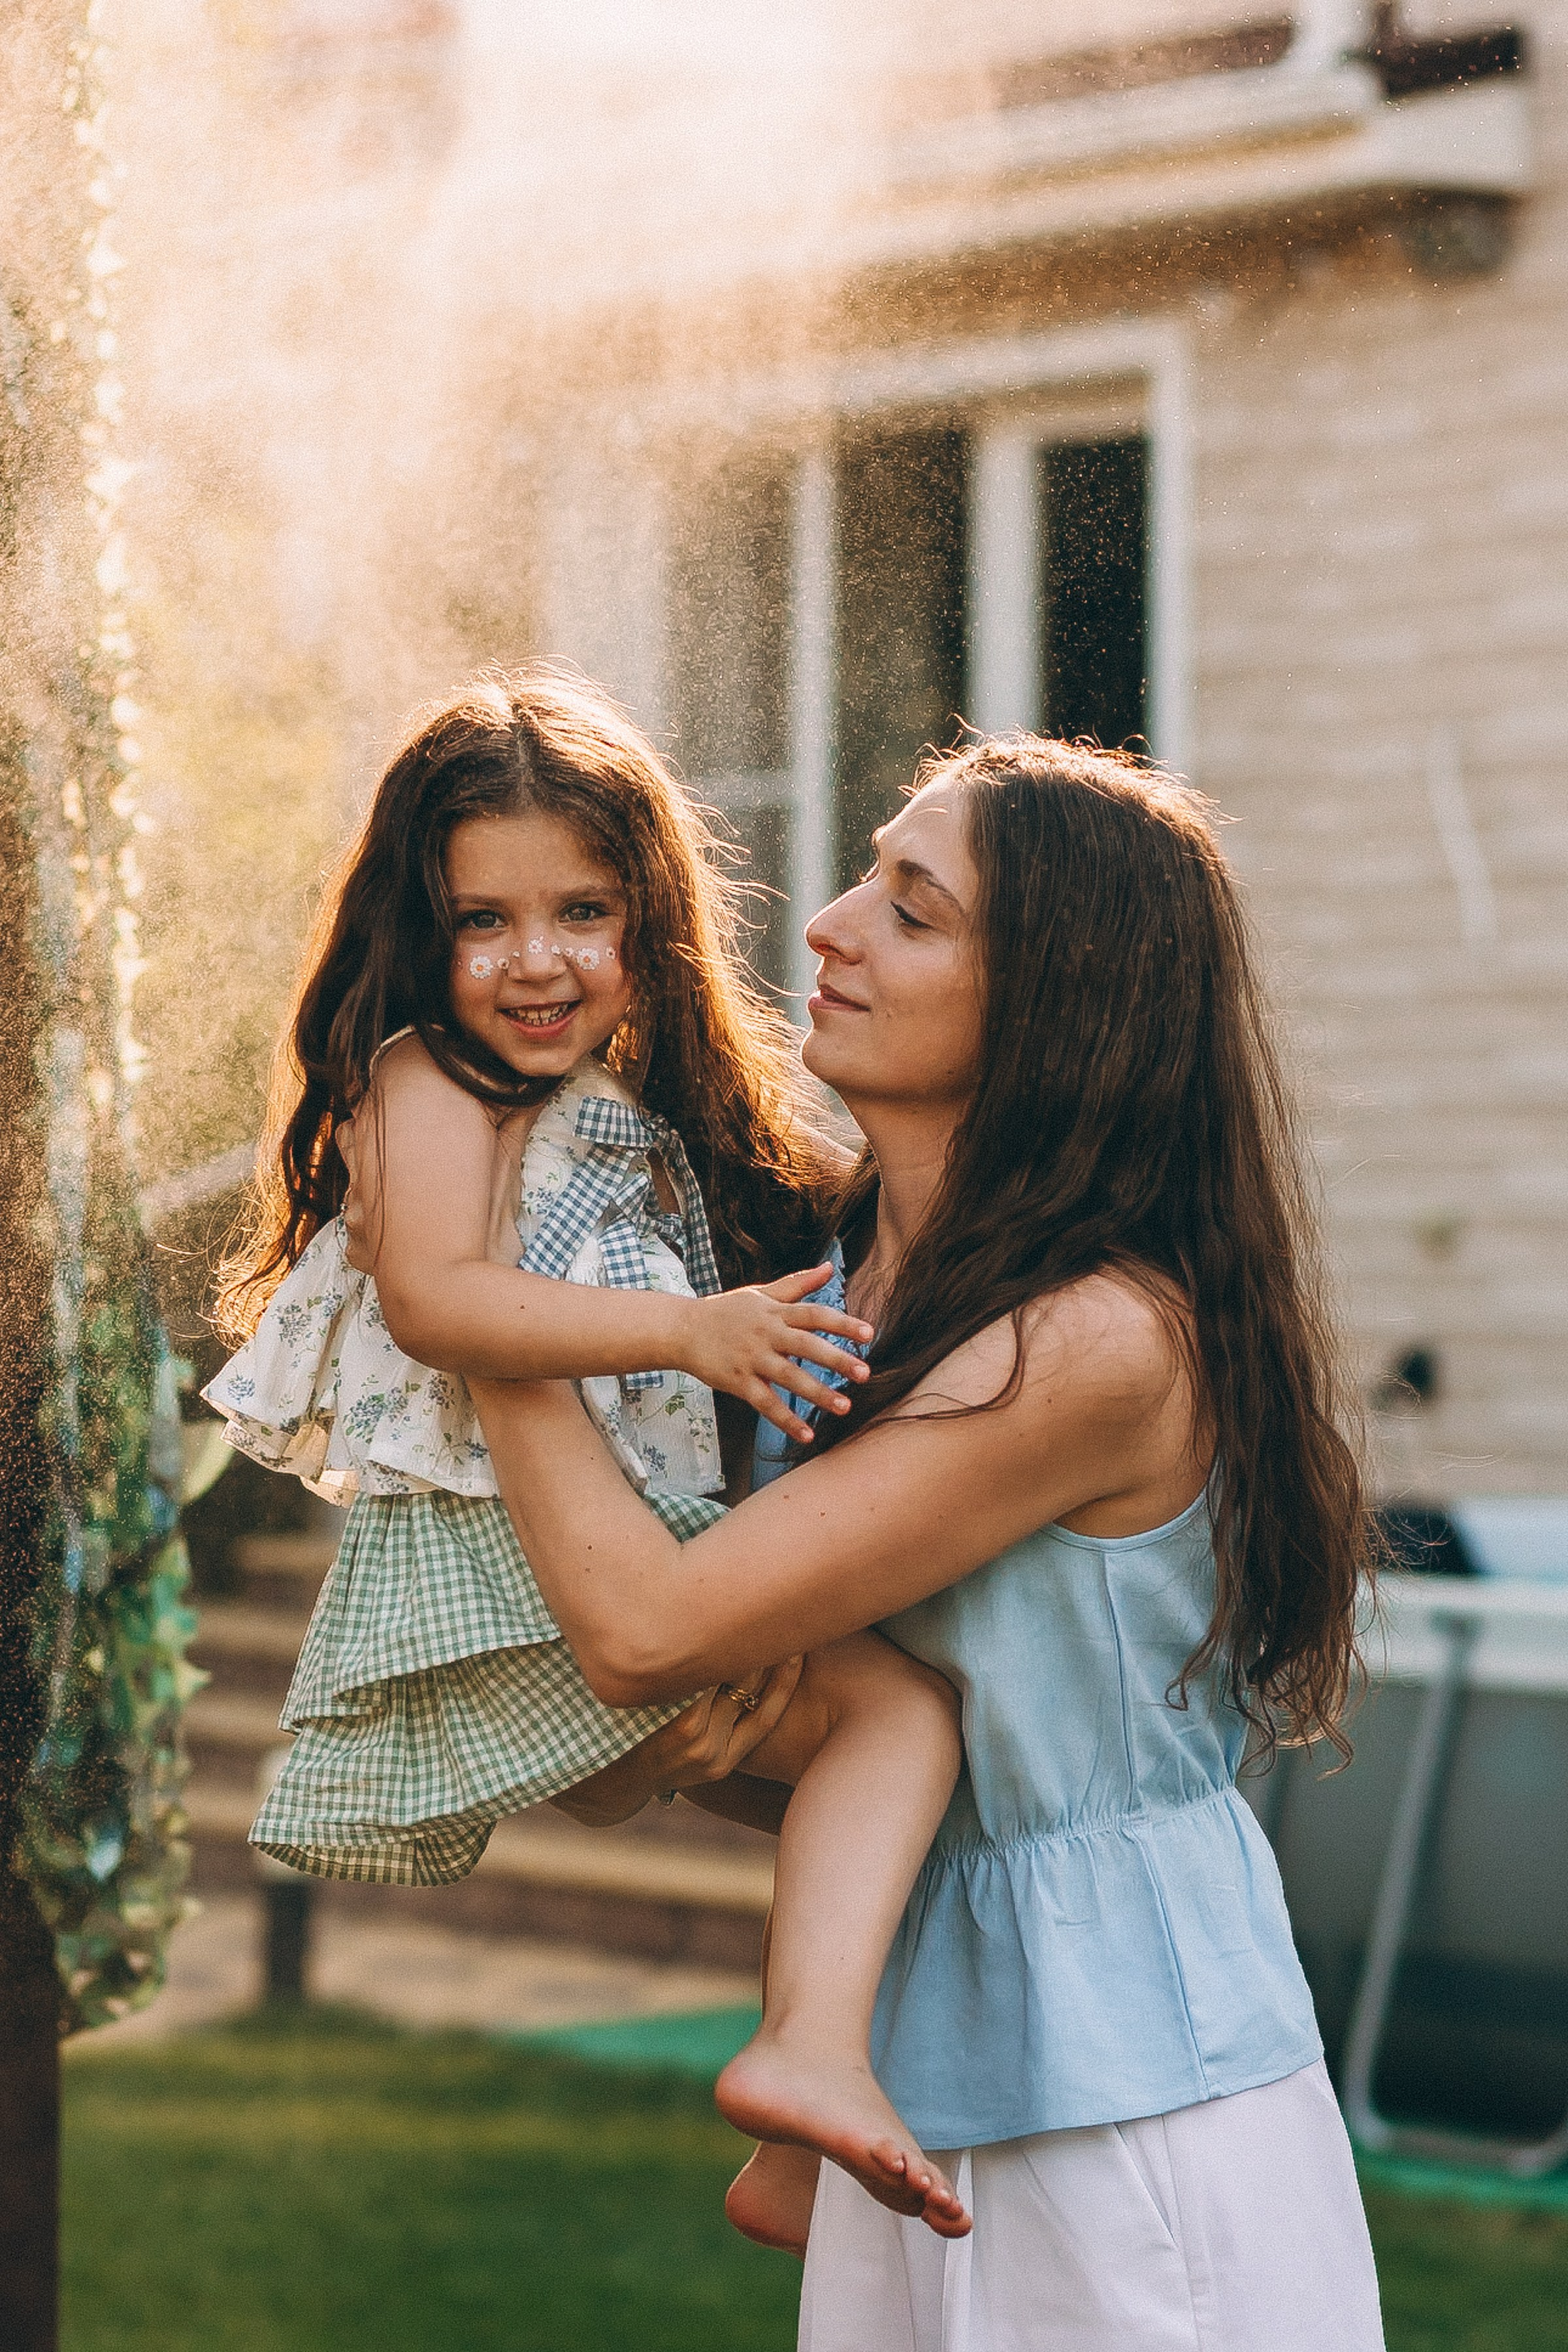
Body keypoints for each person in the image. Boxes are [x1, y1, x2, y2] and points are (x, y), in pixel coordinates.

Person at [458, 736, 1387, 2345]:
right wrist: (684, 1753)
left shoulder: (1092, 1345)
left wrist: (473, 1311)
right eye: (863, 876)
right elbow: (793, 1741)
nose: (826, 924)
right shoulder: (821, 1299)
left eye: (913, 906)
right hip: (902, 2107)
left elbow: (648, 1629)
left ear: (1056, 1006)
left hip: (1125, 2117)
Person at [203, 669, 969, 2249]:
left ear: (652, 922)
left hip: (597, 1546)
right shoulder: (425, 1076)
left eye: (583, 910)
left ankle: (795, 2146)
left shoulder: (621, 1104)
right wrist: (692, 1336)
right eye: (483, 920)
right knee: (901, 1714)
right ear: (419, 938)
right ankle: (808, 2056)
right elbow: (436, 1300)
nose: (535, 960)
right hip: (522, 1562)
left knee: (879, 1783)